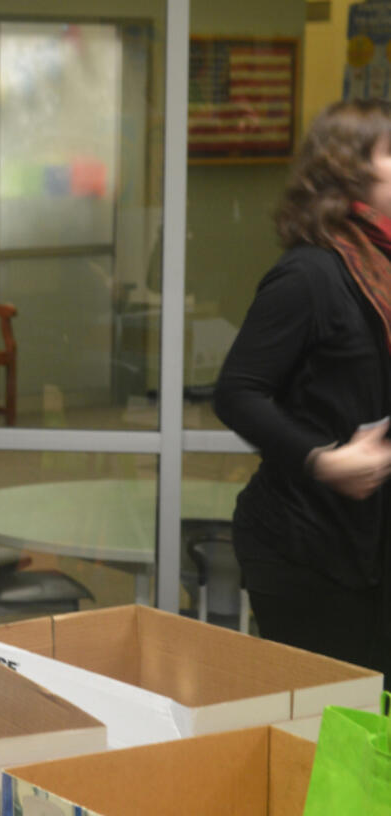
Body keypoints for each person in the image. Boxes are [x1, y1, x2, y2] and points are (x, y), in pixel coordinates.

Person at [214, 98, 391, 688]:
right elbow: (238, 392)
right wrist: (326, 460)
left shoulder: (384, 267)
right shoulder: (311, 275)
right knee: (336, 732)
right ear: (349, 172)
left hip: (373, 551)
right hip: (309, 550)